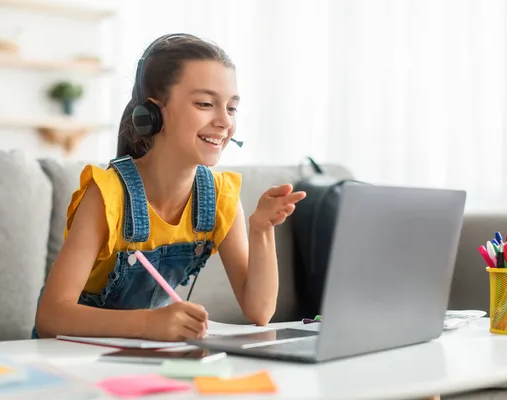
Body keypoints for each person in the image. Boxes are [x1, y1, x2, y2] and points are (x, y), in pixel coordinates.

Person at [32, 33, 306, 342]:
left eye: (231, 108)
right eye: (205, 103)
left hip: (142, 356)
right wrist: (149, 325)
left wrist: (261, 229)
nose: (224, 122)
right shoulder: (107, 195)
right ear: (153, 113)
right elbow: (51, 317)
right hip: (75, 359)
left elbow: (260, 311)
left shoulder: (219, 198)